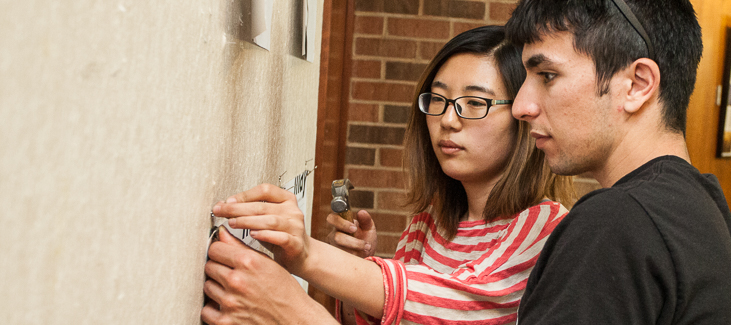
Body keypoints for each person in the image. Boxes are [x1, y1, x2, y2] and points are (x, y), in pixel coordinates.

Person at [201, 25, 574, 325]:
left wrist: (306, 258)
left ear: (522, 116)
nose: (447, 120)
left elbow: (457, 303)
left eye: (474, 103)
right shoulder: (429, 222)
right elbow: (388, 316)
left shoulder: (545, 227)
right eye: (438, 99)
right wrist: (357, 268)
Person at [503, 0, 731, 324]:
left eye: (547, 75)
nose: (521, 106)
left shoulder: (617, 222)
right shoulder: (701, 207)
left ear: (637, 84)